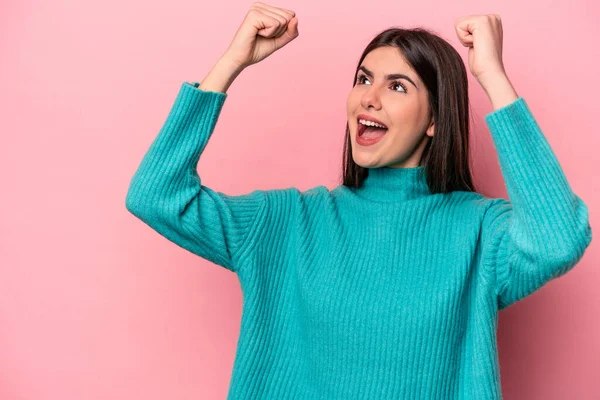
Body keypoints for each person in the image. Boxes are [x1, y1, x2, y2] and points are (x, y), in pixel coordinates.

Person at [125, 3, 593, 399]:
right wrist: (231, 63)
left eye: (397, 86)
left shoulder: (478, 231)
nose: (368, 98)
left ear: (435, 119)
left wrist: (493, 77)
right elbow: (157, 195)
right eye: (363, 78)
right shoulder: (288, 221)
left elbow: (558, 240)